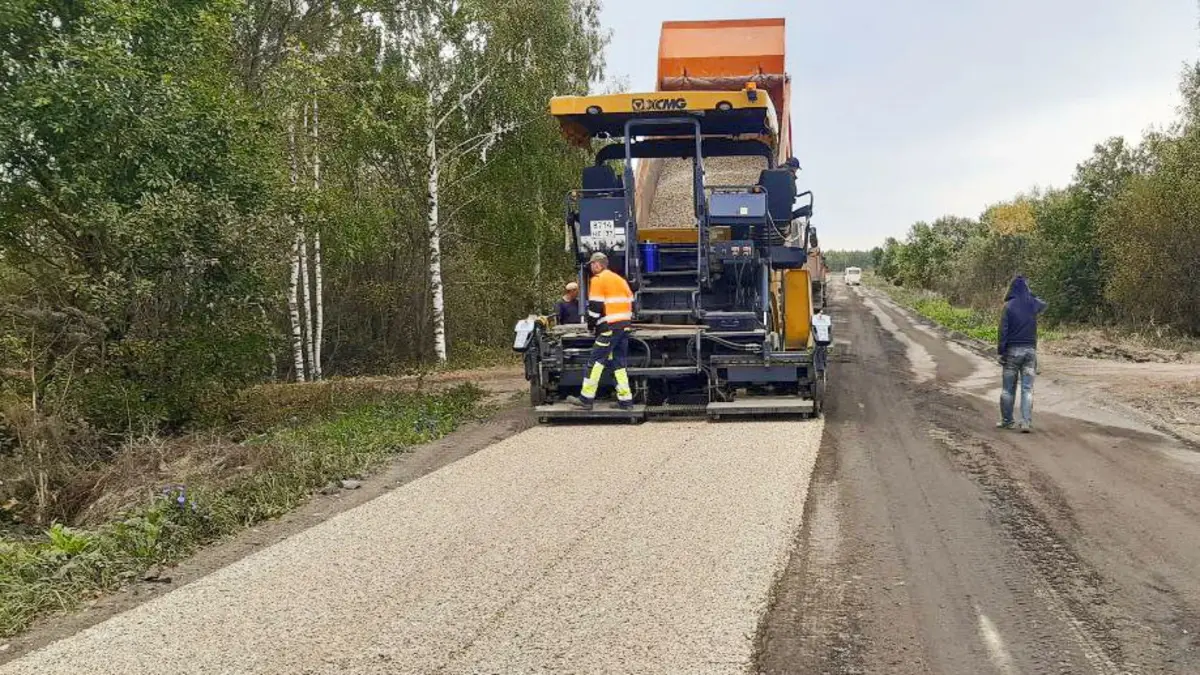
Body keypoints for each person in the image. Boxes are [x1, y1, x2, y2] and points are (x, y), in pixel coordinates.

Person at [568, 252, 635, 410]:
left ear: (598, 264)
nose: (591, 267)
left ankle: (586, 399)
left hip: (608, 328)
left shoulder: (598, 280)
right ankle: (626, 401)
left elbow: (595, 308)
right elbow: (631, 300)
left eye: (592, 264)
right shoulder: (620, 280)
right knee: (619, 364)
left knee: (595, 362)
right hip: (623, 327)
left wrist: (591, 325)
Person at [997, 275, 1048, 432]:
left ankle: (1007, 421)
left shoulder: (1008, 306)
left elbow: (1003, 331)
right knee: (1027, 388)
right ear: (1026, 288)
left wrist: (1001, 351)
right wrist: (1030, 294)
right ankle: (1026, 422)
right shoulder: (1032, 304)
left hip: (1012, 351)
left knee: (1008, 389)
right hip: (1030, 352)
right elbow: (1044, 304)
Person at [811, 307, 832, 374]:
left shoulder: (814, 319)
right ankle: (823, 366)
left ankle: (820, 368)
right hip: (825, 341)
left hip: (819, 341)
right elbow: (829, 330)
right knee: (823, 352)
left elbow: (813, 331)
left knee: (818, 353)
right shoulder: (826, 319)